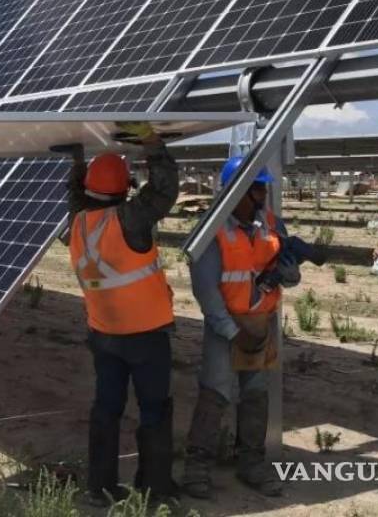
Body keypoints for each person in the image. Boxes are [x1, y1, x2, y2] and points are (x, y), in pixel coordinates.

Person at [57, 128, 180, 506]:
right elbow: (163, 193)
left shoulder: (77, 222)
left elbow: (76, 195)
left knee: (106, 410)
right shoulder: (128, 218)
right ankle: (155, 491)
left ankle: (101, 488)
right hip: (145, 335)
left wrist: (79, 164)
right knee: (155, 410)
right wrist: (152, 144)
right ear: (123, 189)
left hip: (104, 334)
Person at [183, 155, 288, 499]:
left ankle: (252, 465)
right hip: (226, 327)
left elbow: (289, 270)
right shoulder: (211, 231)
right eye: (255, 189)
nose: (261, 196)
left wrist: (288, 271)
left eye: (262, 189)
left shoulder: (269, 224)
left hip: (261, 324)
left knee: (256, 396)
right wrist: (231, 331)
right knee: (215, 395)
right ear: (235, 191)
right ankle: (196, 471)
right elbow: (206, 291)